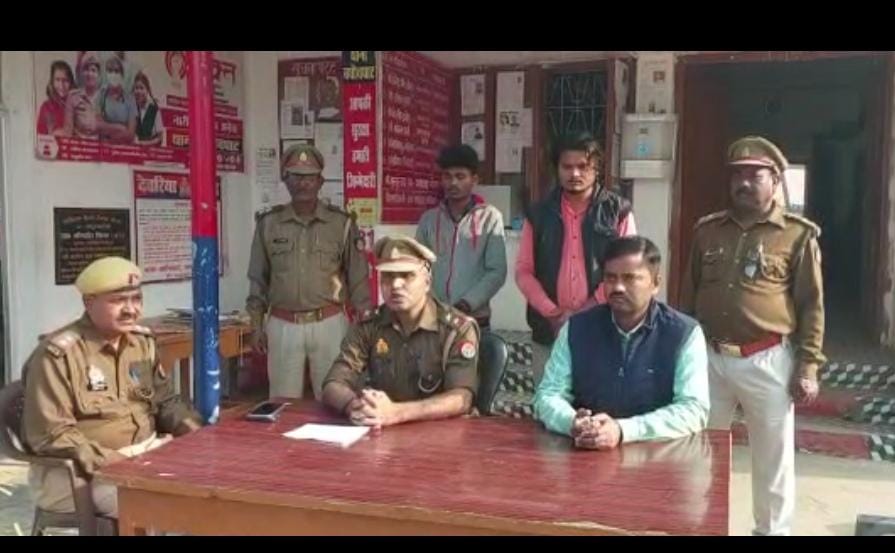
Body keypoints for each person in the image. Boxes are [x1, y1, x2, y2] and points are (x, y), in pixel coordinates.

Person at [680, 136, 825, 536]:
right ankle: (703, 527)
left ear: (775, 180)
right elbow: (688, 295)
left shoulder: (797, 235)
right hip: (709, 358)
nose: (743, 183)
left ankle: (772, 531)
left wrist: (808, 366)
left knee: (772, 459)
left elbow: (811, 306)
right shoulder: (707, 231)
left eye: (754, 175)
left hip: (767, 359)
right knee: (701, 449)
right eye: (737, 175)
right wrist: (680, 354)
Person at [22, 257, 202, 518]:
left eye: (136, 299)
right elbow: (52, 434)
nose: (130, 310)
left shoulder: (141, 343)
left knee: (216, 489)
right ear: (89, 303)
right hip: (77, 473)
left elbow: (165, 401)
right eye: (118, 301)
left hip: (145, 455)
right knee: (168, 506)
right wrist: (118, 463)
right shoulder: (58, 355)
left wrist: (194, 432)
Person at [533, 236, 709, 450]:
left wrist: (623, 430)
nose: (617, 287)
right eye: (610, 278)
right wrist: (572, 422)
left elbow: (693, 409)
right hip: (585, 453)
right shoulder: (577, 328)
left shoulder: (683, 334)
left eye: (629, 278)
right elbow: (548, 394)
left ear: (656, 283)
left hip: (657, 455)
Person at [247, 144, 373, 400]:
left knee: (335, 397)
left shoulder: (341, 223)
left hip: (329, 324)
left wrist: (365, 326)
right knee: (282, 403)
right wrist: (256, 325)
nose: (303, 183)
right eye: (296, 176)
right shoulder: (268, 224)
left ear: (320, 181)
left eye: (309, 177)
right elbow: (258, 279)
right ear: (285, 180)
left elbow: (358, 278)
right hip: (283, 325)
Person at [515, 132, 637, 381]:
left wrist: (585, 312)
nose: (575, 174)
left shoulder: (618, 212)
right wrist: (553, 313)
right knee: (548, 401)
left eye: (583, 166)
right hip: (549, 332)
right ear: (557, 169)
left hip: (603, 329)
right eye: (567, 167)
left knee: (598, 401)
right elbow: (523, 271)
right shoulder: (538, 214)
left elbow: (627, 270)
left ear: (596, 169)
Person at [322, 236, 479, 428]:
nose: (395, 285)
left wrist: (397, 413)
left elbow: (461, 398)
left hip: (438, 434)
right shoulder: (369, 324)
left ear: (427, 282)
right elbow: (334, 383)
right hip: (380, 432)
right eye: (388, 276)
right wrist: (354, 406)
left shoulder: (456, 329)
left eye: (407, 275)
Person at [416, 145, 507, 330]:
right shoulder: (429, 220)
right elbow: (418, 267)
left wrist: (467, 304)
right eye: (447, 176)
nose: (453, 183)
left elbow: (497, 271)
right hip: (435, 319)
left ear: (474, 179)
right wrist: (432, 304)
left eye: (460, 176)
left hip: (474, 320)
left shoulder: (490, 218)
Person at [96, 56, 137, 144]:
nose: (113, 74)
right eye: (110, 71)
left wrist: (110, 139)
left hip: (124, 146)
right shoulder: (101, 96)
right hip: (104, 147)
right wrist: (120, 128)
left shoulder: (130, 99)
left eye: (116, 71)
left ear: (122, 75)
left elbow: (130, 134)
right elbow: (98, 126)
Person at [63, 51, 104, 139]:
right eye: (86, 70)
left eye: (93, 70)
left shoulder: (104, 98)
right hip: (78, 145)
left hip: (99, 146)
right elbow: (68, 131)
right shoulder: (73, 97)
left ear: (99, 74)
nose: (89, 74)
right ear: (82, 73)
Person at [36, 60, 75, 137]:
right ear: (52, 82)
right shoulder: (46, 107)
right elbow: (40, 136)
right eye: (57, 80)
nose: (61, 85)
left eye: (65, 80)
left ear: (71, 82)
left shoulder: (79, 105)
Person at [132, 72, 165, 146]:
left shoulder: (154, 110)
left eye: (141, 88)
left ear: (147, 90)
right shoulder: (132, 109)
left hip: (151, 151)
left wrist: (142, 143)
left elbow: (160, 138)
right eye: (136, 88)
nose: (138, 91)